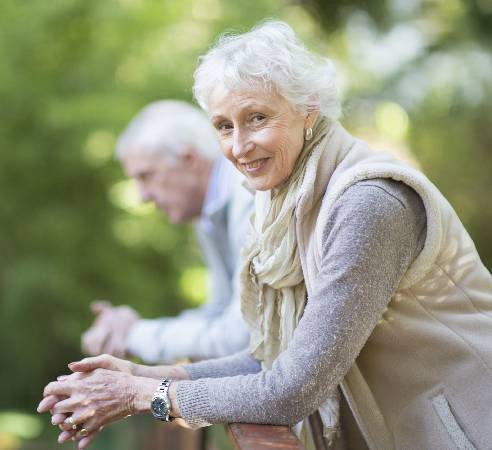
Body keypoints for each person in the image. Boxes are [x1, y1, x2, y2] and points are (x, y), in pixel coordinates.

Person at [38, 20, 492, 450]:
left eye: (257, 118)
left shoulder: (368, 203)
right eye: (223, 126)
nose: (238, 146)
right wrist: (141, 372)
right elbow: (271, 359)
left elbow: (290, 391)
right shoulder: (283, 199)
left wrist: (143, 395)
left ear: (308, 109)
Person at [81, 100, 254, 364]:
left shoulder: (249, 197)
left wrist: (133, 335)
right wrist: (135, 327)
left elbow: (240, 337)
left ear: (189, 160)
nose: (143, 197)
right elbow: (219, 312)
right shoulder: (209, 213)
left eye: (146, 176)